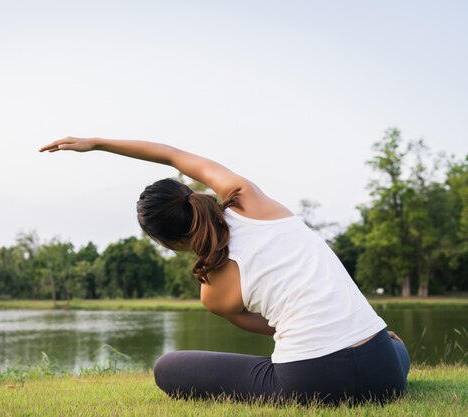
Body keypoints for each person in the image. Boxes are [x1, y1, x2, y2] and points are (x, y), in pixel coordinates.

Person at [39, 137, 411, 405]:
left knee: (168, 367)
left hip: (309, 384)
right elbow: (172, 153)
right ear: (191, 195)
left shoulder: (213, 290)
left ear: (167, 243)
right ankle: (389, 346)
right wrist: (98, 143)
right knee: (394, 345)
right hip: (384, 373)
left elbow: (271, 326)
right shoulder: (248, 198)